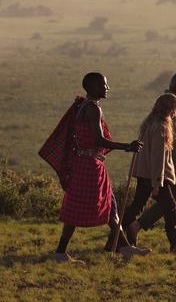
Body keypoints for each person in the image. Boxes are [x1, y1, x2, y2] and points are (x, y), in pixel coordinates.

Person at [52, 72, 145, 264]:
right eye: (104, 85)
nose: (107, 88)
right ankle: (61, 251)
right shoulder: (93, 109)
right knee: (80, 208)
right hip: (89, 166)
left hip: (86, 163)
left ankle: (125, 247)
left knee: (108, 205)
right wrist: (127, 146)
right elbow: (98, 140)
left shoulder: (84, 106)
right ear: (94, 87)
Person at [122, 94, 176, 254]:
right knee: (172, 211)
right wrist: (157, 183)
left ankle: (117, 239)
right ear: (170, 109)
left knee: (136, 207)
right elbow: (158, 158)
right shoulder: (161, 127)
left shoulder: (151, 122)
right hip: (155, 176)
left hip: (146, 174)